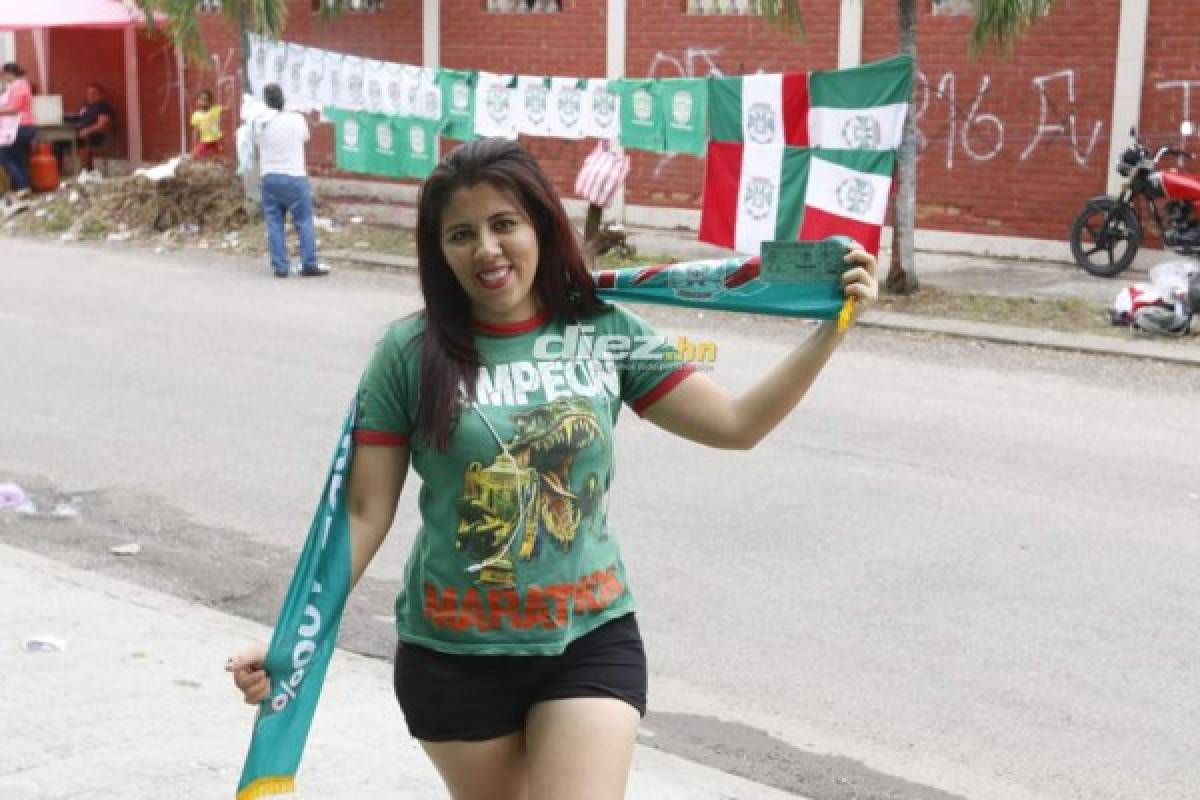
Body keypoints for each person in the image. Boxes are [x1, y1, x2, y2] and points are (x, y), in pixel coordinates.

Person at [228, 137, 876, 799]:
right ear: (438, 250)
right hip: (455, 656)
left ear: (541, 224)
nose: (486, 249)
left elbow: (737, 425)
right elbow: (364, 513)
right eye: (461, 233)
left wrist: (831, 330)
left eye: (504, 223)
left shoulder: (602, 330)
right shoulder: (408, 354)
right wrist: (291, 640)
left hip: (588, 637)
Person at [252, 83, 329, 278]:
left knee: (274, 222)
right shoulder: (297, 119)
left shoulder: (260, 122)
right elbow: (305, 138)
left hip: (269, 176)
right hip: (295, 176)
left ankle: (280, 267)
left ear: (266, 102)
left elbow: (254, 143)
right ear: (283, 99)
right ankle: (309, 263)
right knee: (303, 222)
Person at [0, 63, 36, 191]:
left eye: (2, 75)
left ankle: (23, 186)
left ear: (9, 73)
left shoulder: (19, 86)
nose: (2, 78)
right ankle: (24, 186)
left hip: (20, 126)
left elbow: (14, 108)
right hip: (21, 126)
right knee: (17, 156)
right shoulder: (19, 85)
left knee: (4, 155)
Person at [70, 83, 115, 172]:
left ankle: (85, 172)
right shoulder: (85, 106)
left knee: (83, 142)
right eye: (89, 93)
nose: (91, 96)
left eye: (94, 93)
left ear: (101, 94)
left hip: (96, 136)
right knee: (57, 143)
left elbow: (101, 125)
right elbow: (80, 119)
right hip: (80, 134)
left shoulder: (103, 106)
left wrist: (87, 130)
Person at [189, 89, 224, 159]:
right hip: (205, 141)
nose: (202, 102)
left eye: (205, 100)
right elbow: (195, 130)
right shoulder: (196, 115)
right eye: (200, 99)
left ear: (210, 102)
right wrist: (194, 142)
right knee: (194, 155)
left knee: (218, 157)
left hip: (217, 140)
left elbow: (227, 108)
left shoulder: (215, 110)